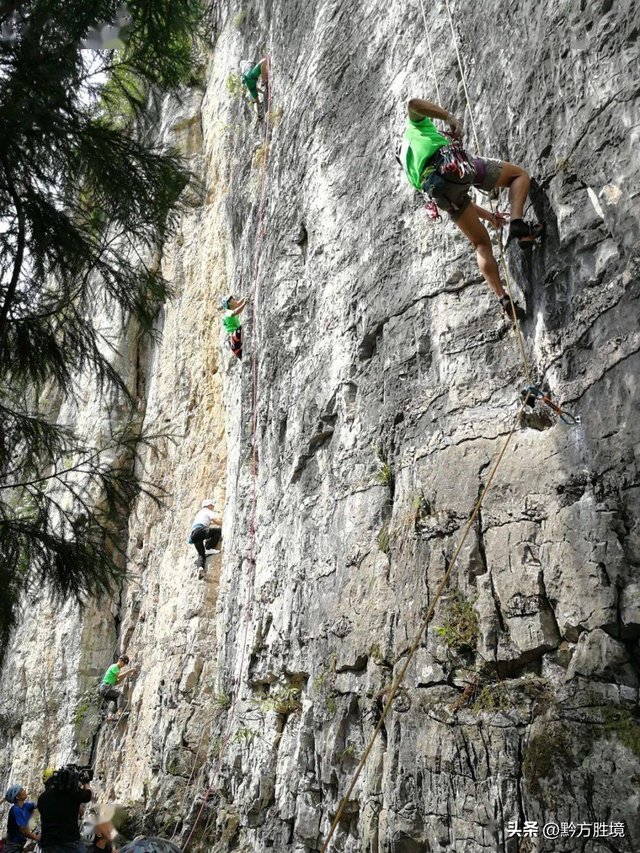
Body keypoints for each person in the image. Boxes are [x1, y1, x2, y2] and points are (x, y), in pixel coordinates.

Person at [399, 97, 544, 322]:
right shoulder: (414, 127)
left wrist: (488, 216)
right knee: (518, 176)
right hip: (452, 165)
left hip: (440, 193)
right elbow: (413, 104)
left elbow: (456, 194)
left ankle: (502, 297)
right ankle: (518, 223)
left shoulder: (411, 171)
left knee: (481, 243)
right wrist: (450, 118)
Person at [38, 766, 92, 852]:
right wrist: (85, 782)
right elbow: (89, 795)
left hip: (48, 843)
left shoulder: (42, 798)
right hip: (68, 841)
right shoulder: (71, 793)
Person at [98, 654, 137, 722]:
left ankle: (110, 716)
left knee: (117, 699)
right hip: (105, 687)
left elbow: (116, 682)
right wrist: (129, 671)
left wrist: (124, 676)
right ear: (119, 660)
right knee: (120, 695)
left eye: (125, 664)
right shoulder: (114, 666)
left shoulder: (117, 669)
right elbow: (118, 676)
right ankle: (120, 713)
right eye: (123, 663)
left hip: (104, 689)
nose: (123, 665)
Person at [188, 500, 222, 578]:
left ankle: (200, 568)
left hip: (194, 534)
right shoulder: (207, 511)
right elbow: (216, 520)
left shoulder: (199, 513)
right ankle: (209, 548)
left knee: (201, 554)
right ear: (208, 506)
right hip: (200, 531)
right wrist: (225, 523)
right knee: (218, 531)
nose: (213, 507)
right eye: (212, 505)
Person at [3, 785, 40, 852]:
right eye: (22, 790)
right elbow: (23, 829)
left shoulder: (25, 806)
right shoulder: (16, 810)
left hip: (19, 844)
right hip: (12, 846)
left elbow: (39, 804)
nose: (24, 790)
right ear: (17, 797)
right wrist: (35, 837)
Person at [221, 296, 246, 360]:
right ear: (229, 303)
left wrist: (244, 297)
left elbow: (237, 304)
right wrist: (245, 303)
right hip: (234, 338)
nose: (235, 299)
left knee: (245, 359)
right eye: (233, 299)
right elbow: (236, 312)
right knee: (244, 326)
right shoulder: (227, 312)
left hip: (235, 345)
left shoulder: (230, 311)